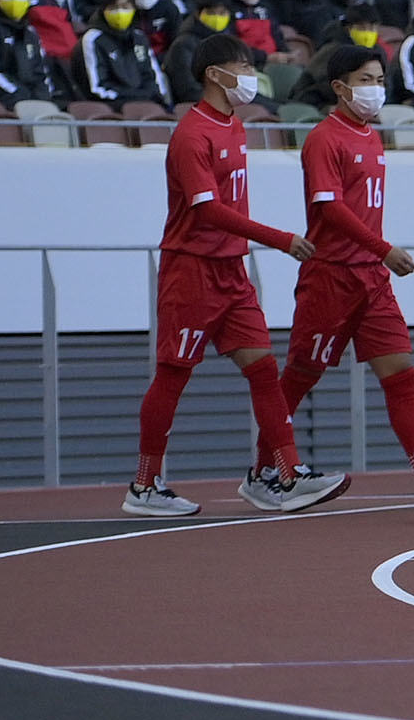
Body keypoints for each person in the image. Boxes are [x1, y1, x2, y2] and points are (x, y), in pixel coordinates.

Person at [122, 35, 348, 519]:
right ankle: (144, 485)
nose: (249, 75)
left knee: (264, 369)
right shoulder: (191, 135)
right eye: (240, 66)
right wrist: (280, 238)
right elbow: (208, 212)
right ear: (213, 74)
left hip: (231, 271)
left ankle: (285, 475)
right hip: (192, 270)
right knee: (174, 374)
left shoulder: (232, 127)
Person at [277, 45, 414, 501]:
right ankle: (268, 468)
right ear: (340, 87)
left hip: (372, 278)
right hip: (331, 276)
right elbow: (330, 209)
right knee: (301, 374)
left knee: (401, 370)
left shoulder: (371, 136)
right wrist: (384, 248)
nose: (375, 89)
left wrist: (378, 256)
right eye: (366, 80)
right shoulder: (324, 139)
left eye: (378, 80)